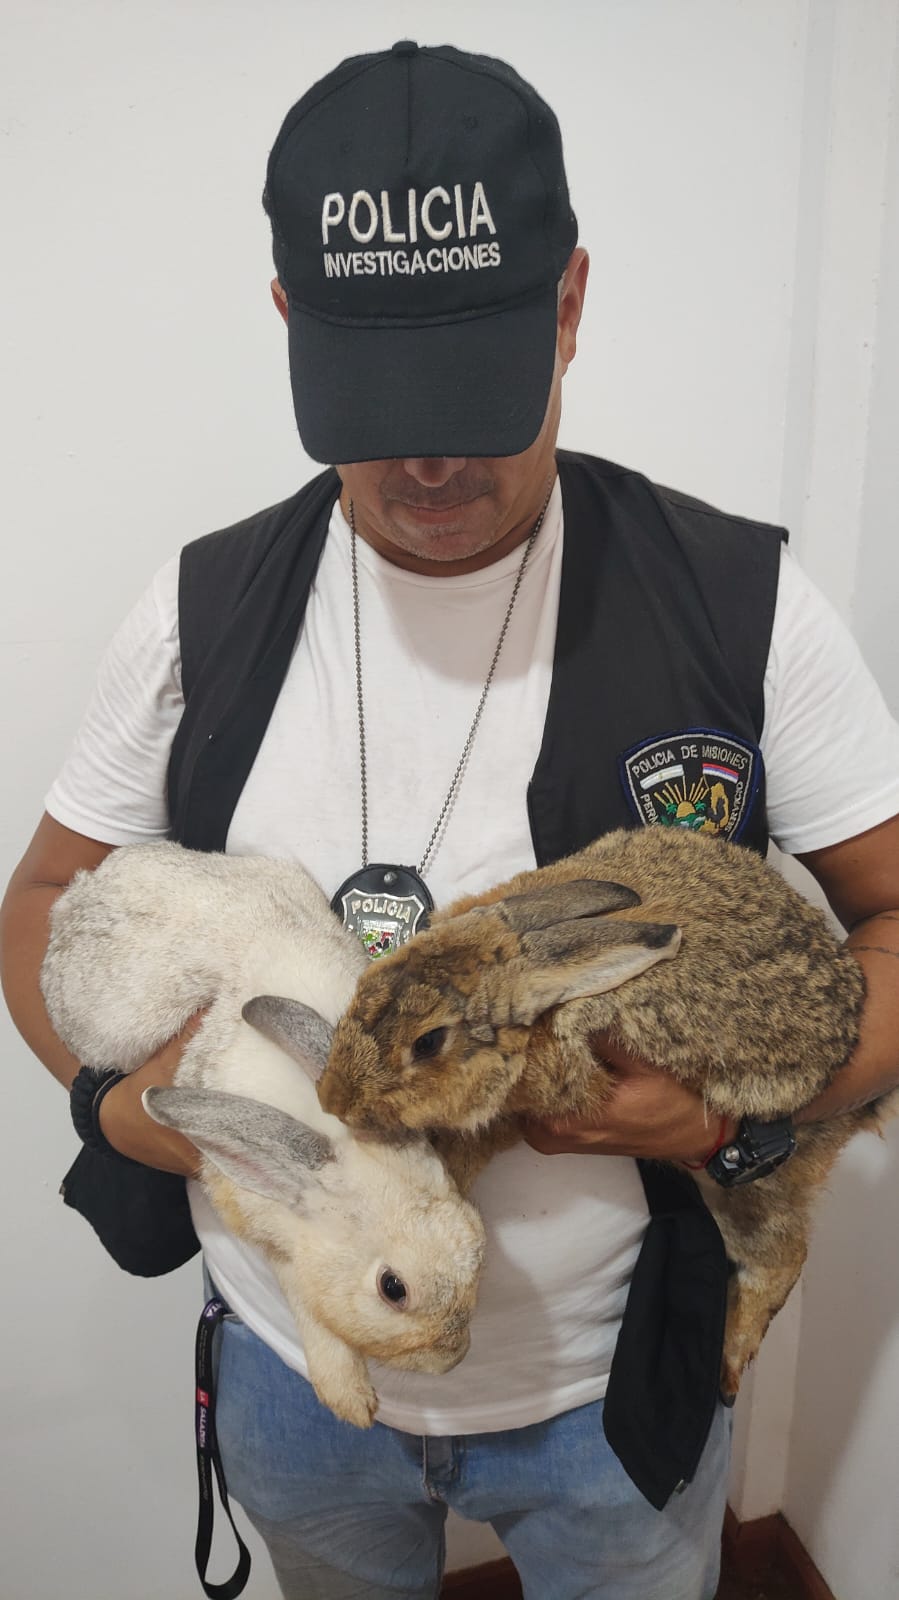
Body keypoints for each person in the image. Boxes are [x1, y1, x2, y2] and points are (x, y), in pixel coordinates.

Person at [3, 39, 899, 1600]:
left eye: (473, 388)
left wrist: (727, 1120)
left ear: (569, 304)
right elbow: (41, 905)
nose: (427, 455)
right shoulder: (204, 613)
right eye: (377, 392)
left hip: (618, 1402)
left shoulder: (740, 602)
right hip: (301, 1370)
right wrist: (128, 1110)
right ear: (290, 318)